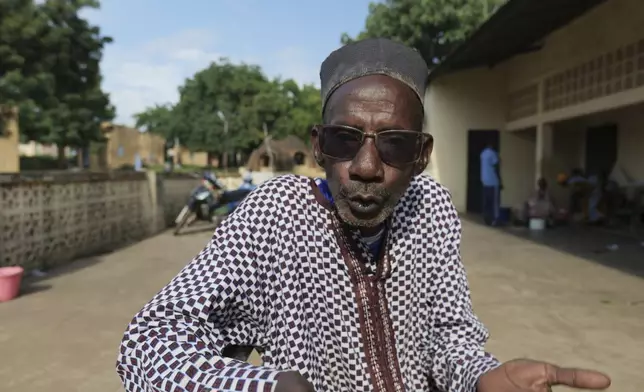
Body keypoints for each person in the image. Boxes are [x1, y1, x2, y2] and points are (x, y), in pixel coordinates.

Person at [116, 38, 610, 392]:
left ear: (421, 155)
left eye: (394, 144)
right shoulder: (275, 215)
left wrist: (480, 376)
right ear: (318, 146)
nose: (367, 167)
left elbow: (449, 336)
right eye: (344, 140)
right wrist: (261, 385)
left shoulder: (431, 208)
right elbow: (146, 344)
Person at [480, 143, 501, 225]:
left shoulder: (483, 153)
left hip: (485, 181)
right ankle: (495, 219)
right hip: (493, 182)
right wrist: (500, 180)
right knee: (494, 202)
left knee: (487, 202)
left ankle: (487, 219)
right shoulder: (493, 154)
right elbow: (496, 167)